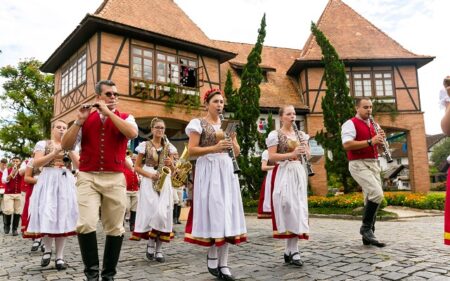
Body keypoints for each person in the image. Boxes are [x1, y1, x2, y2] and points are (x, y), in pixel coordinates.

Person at [61, 80, 138, 281]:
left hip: (115, 177)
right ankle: (92, 275)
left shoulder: (125, 117)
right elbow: (66, 145)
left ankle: (109, 275)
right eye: (109, 94)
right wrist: (78, 121)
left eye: (115, 94)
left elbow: (131, 133)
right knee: (85, 224)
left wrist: (109, 113)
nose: (113, 97)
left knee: (115, 227)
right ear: (98, 97)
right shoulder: (86, 119)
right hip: (88, 176)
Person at [184, 88, 247, 281]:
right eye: (216, 101)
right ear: (207, 104)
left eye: (221, 102)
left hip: (227, 169)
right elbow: (191, 152)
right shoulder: (198, 123)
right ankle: (212, 252)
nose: (220, 105)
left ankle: (225, 262)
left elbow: (236, 153)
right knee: (215, 211)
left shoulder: (228, 124)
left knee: (228, 212)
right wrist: (215, 147)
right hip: (208, 170)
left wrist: (233, 139)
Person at [26, 120, 79, 270]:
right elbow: (36, 163)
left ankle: (60, 257)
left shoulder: (71, 144)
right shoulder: (43, 144)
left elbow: (80, 165)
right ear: (52, 129)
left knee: (63, 215)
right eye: (59, 127)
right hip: (48, 178)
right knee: (47, 213)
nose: (62, 130)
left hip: (65, 179)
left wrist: (71, 151)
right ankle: (47, 251)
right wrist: (55, 153)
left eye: (64, 128)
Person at [266, 105, 309, 267]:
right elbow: (271, 157)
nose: (293, 116)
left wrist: (305, 149)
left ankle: (293, 250)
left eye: (294, 114)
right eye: (289, 114)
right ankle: (288, 249)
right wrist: (291, 154)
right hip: (283, 170)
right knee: (287, 205)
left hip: (298, 171)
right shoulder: (275, 134)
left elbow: (308, 156)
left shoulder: (301, 135)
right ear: (282, 117)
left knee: (298, 208)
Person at [341, 97, 386, 247]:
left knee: (370, 197)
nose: (369, 110)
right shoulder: (350, 124)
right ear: (357, 108)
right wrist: (370, 141)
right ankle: (366, 229)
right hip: (358, 163)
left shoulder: (375, 125)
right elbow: (347, 145)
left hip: (373, 163)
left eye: (371, 107)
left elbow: (378, 148)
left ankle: (369, 235)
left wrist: (381, 143)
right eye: (365, 107)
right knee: (377, 193)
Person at [130, 118, 177, 263]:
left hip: (165, 179)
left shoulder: (169, 147)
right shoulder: (144, 145)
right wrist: (150, 175)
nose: (160, 130)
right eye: (157, 127)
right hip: (149, 179)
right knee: (152, 213)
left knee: (163, 214)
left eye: (162, 128)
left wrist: (172, 164)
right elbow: (136, 167)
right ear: (152, 129)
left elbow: (175, 171)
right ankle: (151, 243)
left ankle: (159, 249)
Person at [20, 155, 45, 253]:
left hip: (47, 190)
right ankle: (37, 238)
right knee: (35, 213)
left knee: (46, 213)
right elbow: (26, 178)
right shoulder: (31, 161)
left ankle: (44, 241)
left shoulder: (51, 161)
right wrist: (42, 181)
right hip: (34, 189)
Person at [2, 156, 23, 236]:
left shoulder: (21, 170)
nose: (15, 163)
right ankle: (6, 225)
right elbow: (4, 181)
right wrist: (11, 174)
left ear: (20, 162)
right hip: (9, 193)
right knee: (8, 210)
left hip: (19, 193)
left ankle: (14, 229)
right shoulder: (7, 170)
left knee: (17, 211)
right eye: (13, 161)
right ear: (11, 162)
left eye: (17, 161)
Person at [257, 149, 276, 219]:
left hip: (280, 174)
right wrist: (275, 167)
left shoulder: (281, 152)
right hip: (271, 175)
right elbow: (263, 167)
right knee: (269, 193)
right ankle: (268, 211)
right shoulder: (267, 152)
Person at [123, 152, 139, 232]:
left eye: (135, 159)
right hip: (127, 191)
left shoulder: (138, 167)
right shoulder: (126, 167)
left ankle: (132, 225)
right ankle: (122, 223)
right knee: (126, 207)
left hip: (135, 190)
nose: (133, 160)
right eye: (132, 159)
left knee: (134, 208)